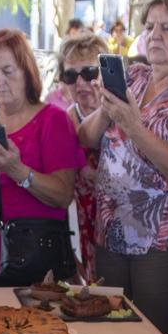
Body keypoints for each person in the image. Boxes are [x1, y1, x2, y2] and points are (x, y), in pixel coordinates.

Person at [76, 0, 168, 334]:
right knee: (108, 330)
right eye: (150, 27)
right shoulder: (134, 76)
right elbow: (85, 136)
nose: (154, 35)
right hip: (110, 227)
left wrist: (134, 126)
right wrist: (107, 108)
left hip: (159, 238)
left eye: (167, 28)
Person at [0, 29, 85, 286]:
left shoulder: (53, 121)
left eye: (7, 71)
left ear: (27, 72)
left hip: (34, 261)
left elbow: (63, 195)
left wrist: (17, 170)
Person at [58, 32, 109, 282]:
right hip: (85, 224)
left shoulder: (126, 111)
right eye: (70, 75)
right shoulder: (65, 121)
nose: (80, 82)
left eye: (89, 73)